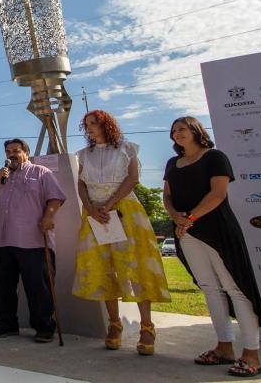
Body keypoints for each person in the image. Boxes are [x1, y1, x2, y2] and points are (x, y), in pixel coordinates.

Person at [163, 116, 261, 378]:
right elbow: (167, 195)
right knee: (209, 288)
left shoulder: (215, 157)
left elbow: (218, 194)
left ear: (196, 131)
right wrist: (175, 216)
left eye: (182, 129)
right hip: (186, 232)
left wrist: (190, 218)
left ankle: (251, 353)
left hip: (217, 229)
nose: (177, 133)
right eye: (174, 130)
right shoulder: (172, 163)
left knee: (236, 288)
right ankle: (224, 347)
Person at [72, 110, 170, 355]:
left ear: (107, 125)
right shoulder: (83, 154)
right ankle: (114, 324)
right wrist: (90, 208)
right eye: (86, 125)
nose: (90, 128)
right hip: (95, 214)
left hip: (124, 209)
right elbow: (81, 183)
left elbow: (132, 178)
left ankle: (147, 326)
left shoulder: (127, 148)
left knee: (134, 265)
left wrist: (110, 204)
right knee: (105, 267)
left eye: (94, 123)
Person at [0, 138, 65, 343]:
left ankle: (44, 327)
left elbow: (55, 198)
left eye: (16, 151)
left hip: (33, 240)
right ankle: (7, 324)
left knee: (38, 287)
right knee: (4, 286)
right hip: (2, 240)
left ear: (26, 153)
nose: (12, 154)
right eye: (8, 151)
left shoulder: (41, 172)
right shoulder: (1, 175)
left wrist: (48, 216)